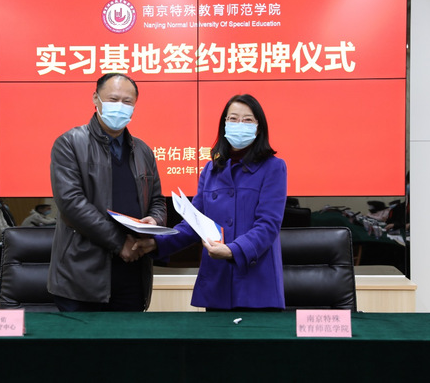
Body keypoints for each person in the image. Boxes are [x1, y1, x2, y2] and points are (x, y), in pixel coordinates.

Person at [135, 94, 287, 311]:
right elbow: (194, 224)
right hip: (218, 281)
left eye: (247, 120)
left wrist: (233, 250)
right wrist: (157, 243)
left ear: (258, 128)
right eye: (233, 119)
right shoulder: (212, 169)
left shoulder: (273, 167)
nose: (239, 125)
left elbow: (268, 225)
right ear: (224, 124)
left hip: (256, 283)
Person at [48, 73, 166, 312]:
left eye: (127, 101)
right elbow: (71, 204)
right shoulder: (70, 143)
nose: (120, 106)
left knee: (128, 336)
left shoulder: (143, 150)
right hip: (81, 276)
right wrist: (119, 242)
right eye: (113, 99)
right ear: (96, 98)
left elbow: (157, 200)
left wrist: (155, 221)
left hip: (132, 271)